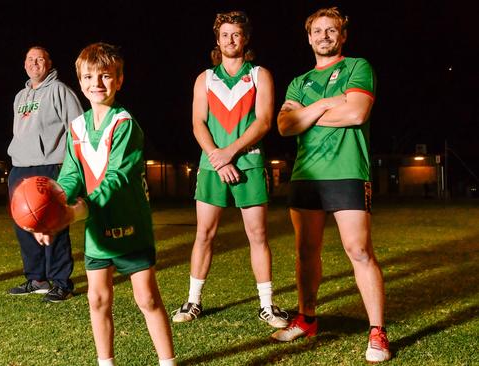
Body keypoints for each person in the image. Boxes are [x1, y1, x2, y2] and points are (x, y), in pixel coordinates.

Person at [33, 42, 176, 366]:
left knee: (147, 298)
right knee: (97, 299)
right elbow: (71, 176)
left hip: (130, 226)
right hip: (97, 230)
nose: (97, 83)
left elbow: (116, 179)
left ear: (119, 80)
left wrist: (74, 212)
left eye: (105, 76)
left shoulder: (125, 124)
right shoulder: (77, 127)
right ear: (80, 82)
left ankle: (168, 362)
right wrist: (49, 209)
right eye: (89, 77)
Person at [271, 7, 390, 363]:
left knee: (358, 251)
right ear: (308, 37)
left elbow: (356, 113)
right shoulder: (298, 82)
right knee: (306, 252)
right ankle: (307, 319)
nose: (324, 36)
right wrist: (326, 103)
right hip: (306, 175)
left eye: (331, 30)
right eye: (317, 31)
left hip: (348, 170)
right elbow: (284, 126)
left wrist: (306, 115)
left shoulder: (357, 67)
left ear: (342, 35)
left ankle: (377, 332)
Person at [170, 10, 288, 329]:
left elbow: (264, 121)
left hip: (248, 161)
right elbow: (197, 123)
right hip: (212, 167)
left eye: (236, 34)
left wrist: (229, 154)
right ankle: (193, 301)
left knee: (258, 235)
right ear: (217, 39)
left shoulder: (260, 74)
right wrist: (216, 157)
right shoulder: (204, 78)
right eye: (225, 35)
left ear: (246, 38)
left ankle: (267, 305)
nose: (230, 40)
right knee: (204, 234)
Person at [6, 46, 83, 302]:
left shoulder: (61, 91)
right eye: (30, 59)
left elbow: (78, 129)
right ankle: (36, 278)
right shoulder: (20, 96)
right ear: (24, 64)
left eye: (40, 59)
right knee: (25, 225)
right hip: (21, 166)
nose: (34, 63)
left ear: (49, 63)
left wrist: (72, 166)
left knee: (55, 224)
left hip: (50, 166)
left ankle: (62, 282)